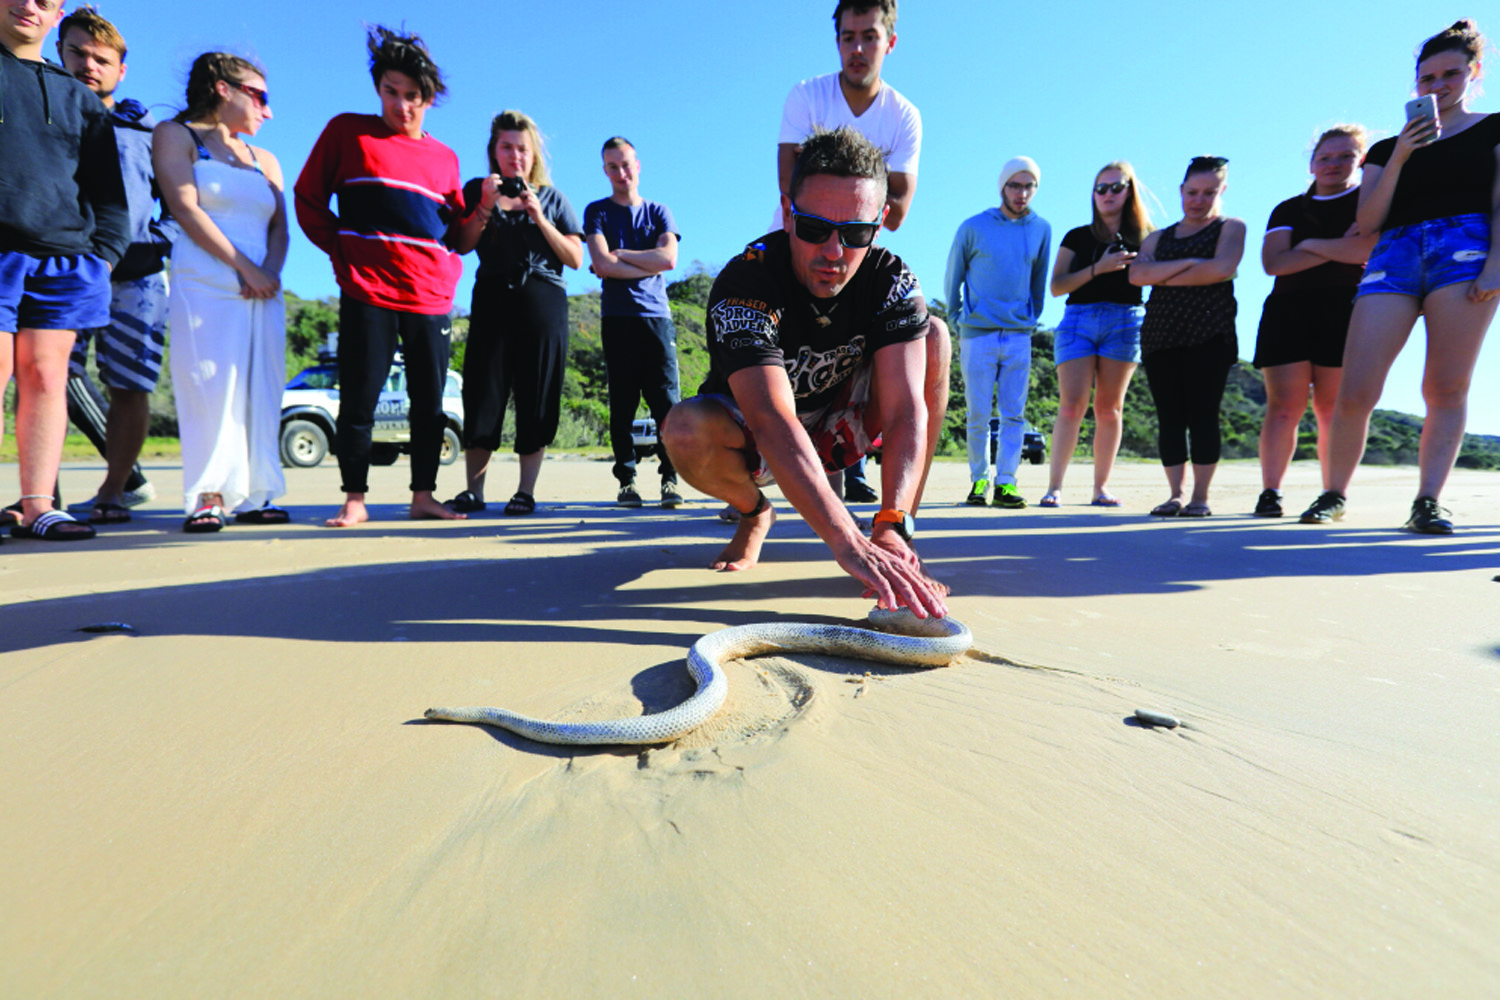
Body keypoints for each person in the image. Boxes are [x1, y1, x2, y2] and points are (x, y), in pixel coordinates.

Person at [661, 127, 950, 618]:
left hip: (842, 426)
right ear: (788, 212)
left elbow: (904, 410)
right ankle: (754, 513)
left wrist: (887, 524)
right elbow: (773, 420)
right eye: (815, 228)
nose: (834, 253)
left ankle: (898, 534)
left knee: (934, 336)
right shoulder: (746, 280)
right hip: (762, 440)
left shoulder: (892, 281)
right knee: (683, 430)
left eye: (856, 233)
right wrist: (845, 541)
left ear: (880, 223)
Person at [1299, 20, 1500, 534]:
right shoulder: (1387, 150)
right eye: (1427, 77)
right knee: (1356, 387)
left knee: (1446, 386)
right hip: (1393, 254)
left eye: (1450, 74)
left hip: (1466, 250)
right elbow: (1367, 222)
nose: (1437, 86)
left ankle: (1428, 500)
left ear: (1473, 73)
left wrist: (1496, 265)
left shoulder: (1494, 127)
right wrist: (1405, 154)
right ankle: (1333, 493)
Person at [295, 27, 468, 528]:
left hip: (431, 294)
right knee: (360, 396)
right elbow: (308, 199)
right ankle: (354, 499)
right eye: (391, 92)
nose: (402, 105)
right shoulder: (347, 132)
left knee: (430, 403)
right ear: (378, 89)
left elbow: (453, 231)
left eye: (413, 96)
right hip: (366, 290)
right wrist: (340, 250)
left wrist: (479, 214)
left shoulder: (446, 158)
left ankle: (424, 495)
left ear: (429, 99)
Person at [776, 0, 921, 504]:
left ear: (890, 42)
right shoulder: (806, 96)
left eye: (869, 36)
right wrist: (857, 199)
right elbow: (789, 189)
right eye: (847, 37)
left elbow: (898, 212)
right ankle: (753, 491)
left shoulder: (903, 115)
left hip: (859, 263)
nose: (857, 48)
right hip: (795, 255)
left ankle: (896, 517)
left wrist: (844, 205)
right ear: (836, 40)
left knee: (923, 345)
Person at [0, 0, 128, 542]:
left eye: (46, 1)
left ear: (55, 15)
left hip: (65, 257)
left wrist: (104, 254)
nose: (30, 5)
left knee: (48, 376)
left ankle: (38, 506)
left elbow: (108, 194)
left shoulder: (81, 99)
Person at [153, 53, 288, 532]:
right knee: (210, 384)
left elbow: (280, 227)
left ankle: (257, 493)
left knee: (262, 386)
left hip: (263, 288)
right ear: (222, 88)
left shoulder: (264, 159)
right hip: (206, 279)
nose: (267, 112)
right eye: (261, 97)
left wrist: (267, 272)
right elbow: (185, 208)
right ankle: (208, 495)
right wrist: (243, 268)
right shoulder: (176, 135)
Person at [55, 7, 176, 525]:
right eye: (77, 52)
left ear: (120, 69)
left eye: (101, 58)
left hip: (137, 272)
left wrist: (159, 245)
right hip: (61, 265)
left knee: (130, 384)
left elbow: (177, 200)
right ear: (59, 53)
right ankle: (41, 498)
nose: (88, 65)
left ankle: (115, 490)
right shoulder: (40, 117)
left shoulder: (146, 131)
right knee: (48, 377)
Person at [446, 110, 583, 517]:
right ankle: (474, 490)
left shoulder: (553, 198)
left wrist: (539, 216)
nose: (515, 156)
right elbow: (461, 243)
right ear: (494, 151)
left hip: (543, 302)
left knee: (536, 392)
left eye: (522, 148)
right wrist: (486, 206)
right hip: (491, 298)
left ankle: (525, 490)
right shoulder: (477, 189)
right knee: (482, 390)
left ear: (533, 153)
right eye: (506, 147)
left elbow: (575, 257)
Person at [1253, 126, 1375, 517]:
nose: (1334, 164)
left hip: (1347, 307)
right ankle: (1270, 492)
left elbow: (1367, 248)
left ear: (1361, 159)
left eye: (1345, 156)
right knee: (1283, 407)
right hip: (1288, 309)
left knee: (1331, 407)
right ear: (1311, 163)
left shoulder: (1368, 203)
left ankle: (1331, 494)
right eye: (1325, 157)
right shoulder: (1288, 209)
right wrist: (1340, 248)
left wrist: (1308, 246)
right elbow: (1275, 263)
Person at [1129, 156, 1246, 518]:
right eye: (1192, 192)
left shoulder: (1231, 227)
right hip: (1161, 336)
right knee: (1170, 417)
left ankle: (1200, 497)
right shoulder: (1158, 237)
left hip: (1210, 335)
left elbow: (1223, 268)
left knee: (1203, 415)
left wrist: (1160, 275)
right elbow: (1136, 276)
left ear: (1221, 191)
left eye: (1209, 192)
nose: (1199, 200)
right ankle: (1175, 494)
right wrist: (1193, 264)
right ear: (1182, 191)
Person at [1041, 161, 1154, 508]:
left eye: (1115, 187)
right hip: (1078, 320)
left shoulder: (1148, 236)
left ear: (1130, 191)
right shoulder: (1077, 236)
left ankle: (1100, 487)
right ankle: (1054, 487)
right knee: (1071, 406)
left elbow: (1154, 279)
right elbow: (1057, 286)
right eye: (1100, 188)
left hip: (1126, 321)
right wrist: (1098, 268)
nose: (1107, 194)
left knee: (1109, 409)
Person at [945, 156, 1051, 510]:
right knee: (977, 413)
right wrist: (959, 318)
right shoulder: (973, 227)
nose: (1022, 194)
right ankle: (979, 481)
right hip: (977, 334)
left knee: (1014, 414)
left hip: (1019, 335)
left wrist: (1030, 319)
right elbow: (953, 276)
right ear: (1002, 187)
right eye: (1015, 185)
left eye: (1029, 186)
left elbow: (1039, 281)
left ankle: (1006, 483)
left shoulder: (1041, 229)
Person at [582, 137, 682, 509]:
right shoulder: (597, 212)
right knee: (622, 403)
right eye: (612, 167)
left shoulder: (660, 212)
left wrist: (621, 253)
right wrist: (642, 260)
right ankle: (627, 482)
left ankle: (671, 480)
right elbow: (601, 264)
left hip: (657, 317)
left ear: (638, 165)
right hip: (618, 318)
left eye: (626, 164)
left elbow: (669, 260)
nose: (621, 173)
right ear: (605, 171)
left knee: (667, 404)